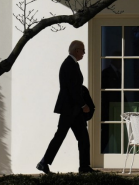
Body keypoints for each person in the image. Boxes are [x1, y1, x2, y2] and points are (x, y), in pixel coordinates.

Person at [36, 40, 97, 174]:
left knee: (82, 138)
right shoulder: (69, 64)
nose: (84, 53)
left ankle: (84, 167)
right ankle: (44, 162)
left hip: (73, 110)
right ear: (76, 50)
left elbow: (75, 88)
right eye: (83, 50)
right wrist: (83, 105)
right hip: (70, 109)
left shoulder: (72, 64)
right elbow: (73, 89)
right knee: (62, 136)